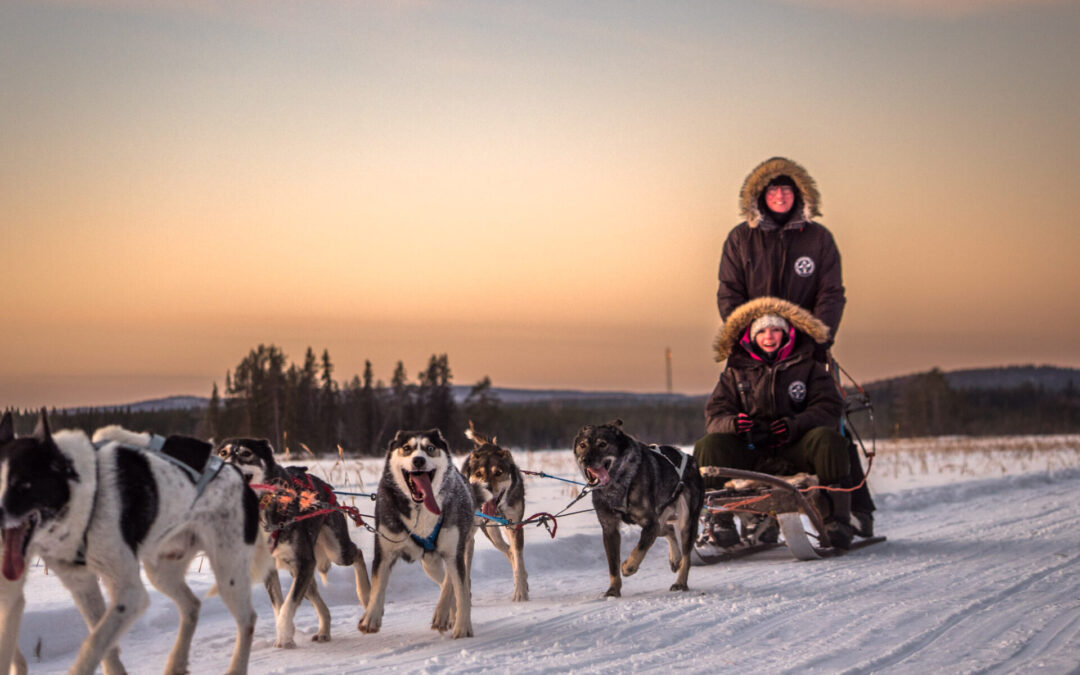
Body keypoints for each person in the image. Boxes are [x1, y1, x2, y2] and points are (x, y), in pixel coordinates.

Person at [715, 156, 874, 535]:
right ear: (759, 196)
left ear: (800, 194)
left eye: (788, 189)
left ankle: (853, 511)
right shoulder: (741, 238)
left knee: (829, 426)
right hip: (755, 347)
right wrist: (746, 337)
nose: (781, 196)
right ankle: (759, 513)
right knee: (749, 421)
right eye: (773, 190)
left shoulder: (818, 239)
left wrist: (819, 336)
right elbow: (729, 291)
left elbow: (830, 292)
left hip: (805, 347)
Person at [694, 297, 855, 550]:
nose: (769, 336)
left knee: (829, 439)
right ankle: (719, 521)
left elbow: (829, 408)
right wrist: (735, 424)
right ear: (751, 337)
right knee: (709, 445)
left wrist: (795, 424)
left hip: (796, 447)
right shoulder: (735, 372)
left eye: (776, 330)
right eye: (762, 331)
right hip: (751, 452)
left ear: (787, 334)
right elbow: (715, 415)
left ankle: (836, 521)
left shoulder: (809, 368)